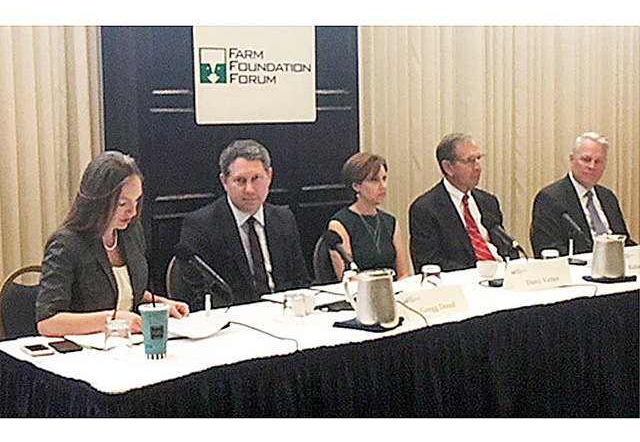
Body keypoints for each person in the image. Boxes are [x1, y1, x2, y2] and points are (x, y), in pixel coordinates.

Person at [36, 151, 189, 337]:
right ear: (99, 200)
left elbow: (126, 291)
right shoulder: (66, 244)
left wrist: (159, 303)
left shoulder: (130, 234)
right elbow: (48, 322)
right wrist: (114, 319)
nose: (132, 212)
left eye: (137, 201)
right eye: (122, 204)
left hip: (129, 346)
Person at [176, 139, 310, 309]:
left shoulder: (283, 219)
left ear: (269, 176)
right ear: (224, 181)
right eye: (240, 181)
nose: (250, 189)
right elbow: (200, 297)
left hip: (284, 317)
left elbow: (300, 281)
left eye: (256, 179)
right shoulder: (201, 226)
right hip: (234, 322)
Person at [409, 133, 518, 272]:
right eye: (470, 161)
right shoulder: (426, 209)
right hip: (460, 285)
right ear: (448, 167)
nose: (478, 167)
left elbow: (504, 246)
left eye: (479, 158)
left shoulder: (488, 202)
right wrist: (478, 272)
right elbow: (429, 262)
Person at [530, 132, 636, 257]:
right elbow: (548, 248)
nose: (592, 166)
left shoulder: (607, 197)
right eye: (586, 160)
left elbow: (624, 242)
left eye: (598, 162)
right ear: (572, 158)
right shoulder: (550, 198)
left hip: (617, 270)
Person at [328, 152, 411, 281]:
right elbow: (347, 278)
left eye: (384, 178)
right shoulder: (340, 224)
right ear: (356, 186)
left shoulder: (391, 222)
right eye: (374, 180)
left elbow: (404, 274)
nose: (383, 186)